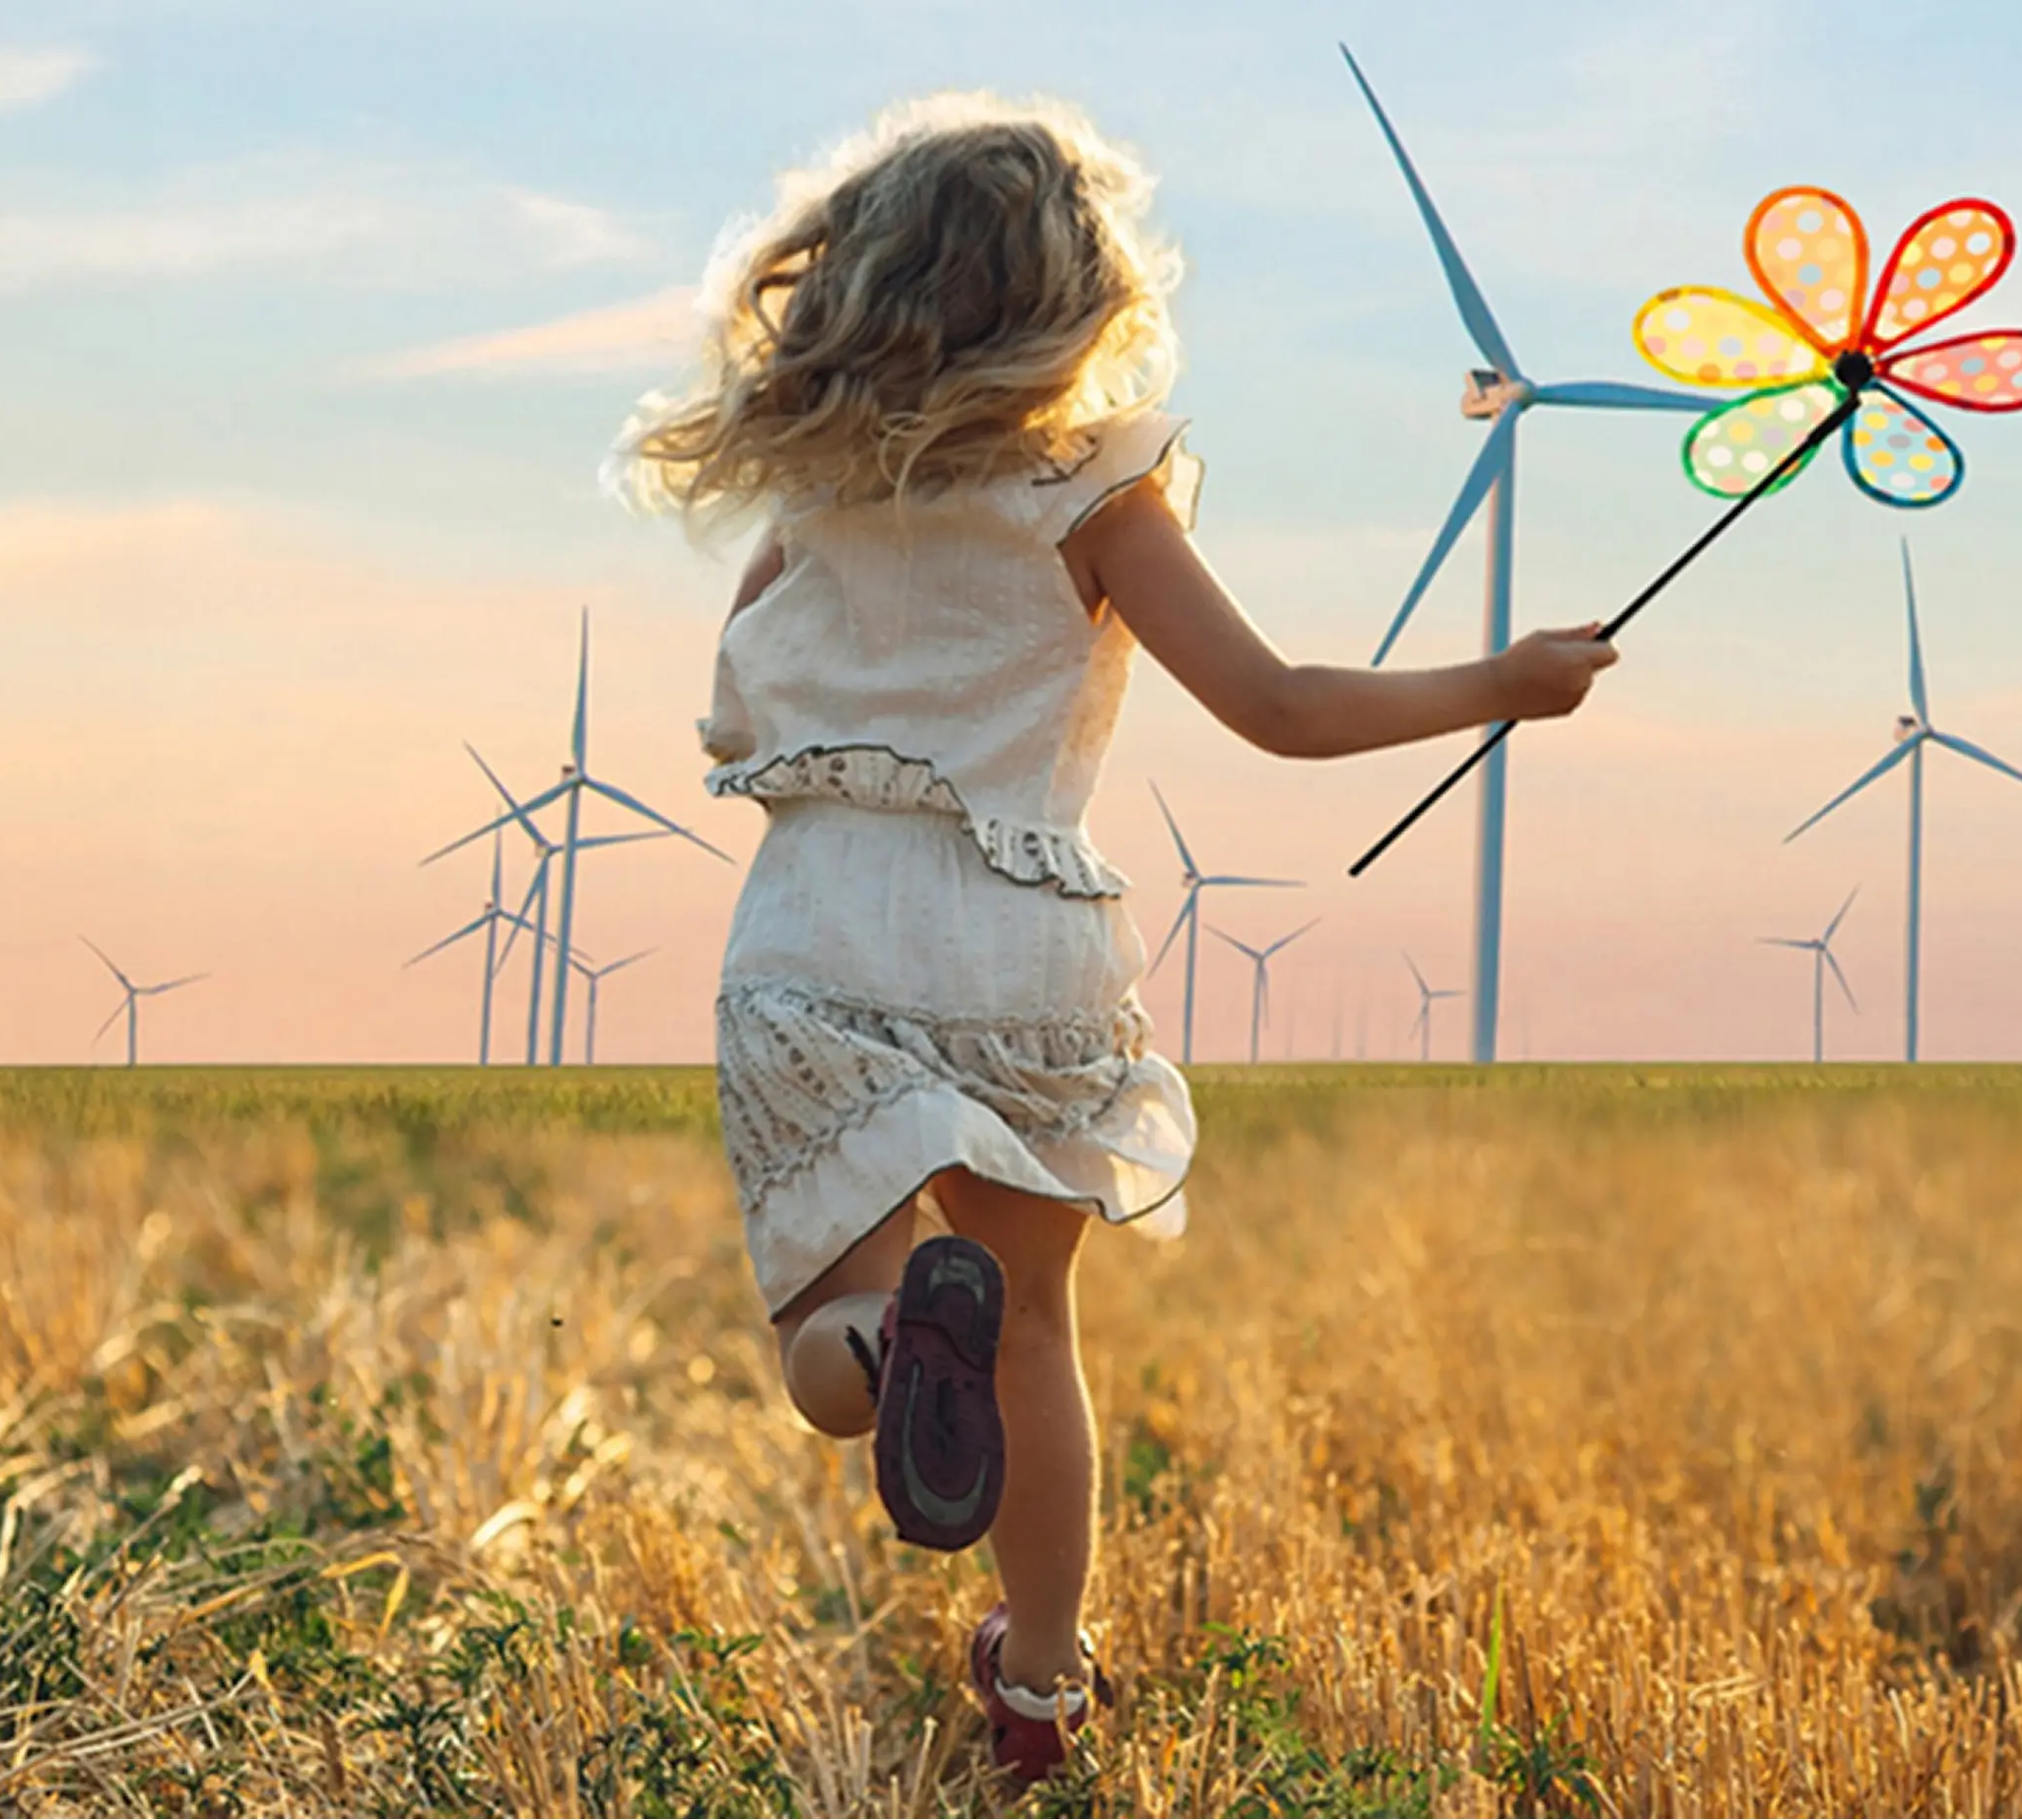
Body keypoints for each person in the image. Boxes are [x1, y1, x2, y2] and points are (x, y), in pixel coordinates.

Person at [609, 91, 1617, 1786]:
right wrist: (1501, 685)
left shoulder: (818, 496)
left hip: (820, 926)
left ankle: (884, 1346)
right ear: (1079, 296)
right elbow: (1279, 705)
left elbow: (735, 707)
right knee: (1028, 1331)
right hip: (1017, 939)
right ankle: (1041, 1683)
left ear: (861, 284)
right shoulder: (1097, 488)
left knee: (827, 1334)